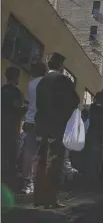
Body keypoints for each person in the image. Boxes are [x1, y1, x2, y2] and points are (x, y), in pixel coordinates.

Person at [34, 52, 80, 209]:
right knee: (55, 160)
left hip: (41, 124)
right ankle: (50, 199)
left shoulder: (42, 81)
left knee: (40, 160)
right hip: (57, 125)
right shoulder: (63, 80)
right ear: (61, 66)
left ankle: (38, 197)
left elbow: (38, 103)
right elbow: (75, 100)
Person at [21, 63, 47, 194]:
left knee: (28, 152)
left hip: (30, 120)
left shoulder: (31, 84)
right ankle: (36, 182)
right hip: (42, 122)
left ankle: (27, 182)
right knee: (40, 153)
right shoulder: (48, 84)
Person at [1, 66, 24, 188]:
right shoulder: (16, 92)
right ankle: (8, 180)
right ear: (16, 77)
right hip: (11, 125)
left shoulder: (1, 90)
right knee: (11, 152)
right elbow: (17, 109)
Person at [84, 91, 103, 188]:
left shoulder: (91, 107)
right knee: (96, 158)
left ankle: (90, 179)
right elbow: (101, 123)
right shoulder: (101, 109)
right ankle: (93, 181)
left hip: (91, 134)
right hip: (97, 135)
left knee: (91, 158)